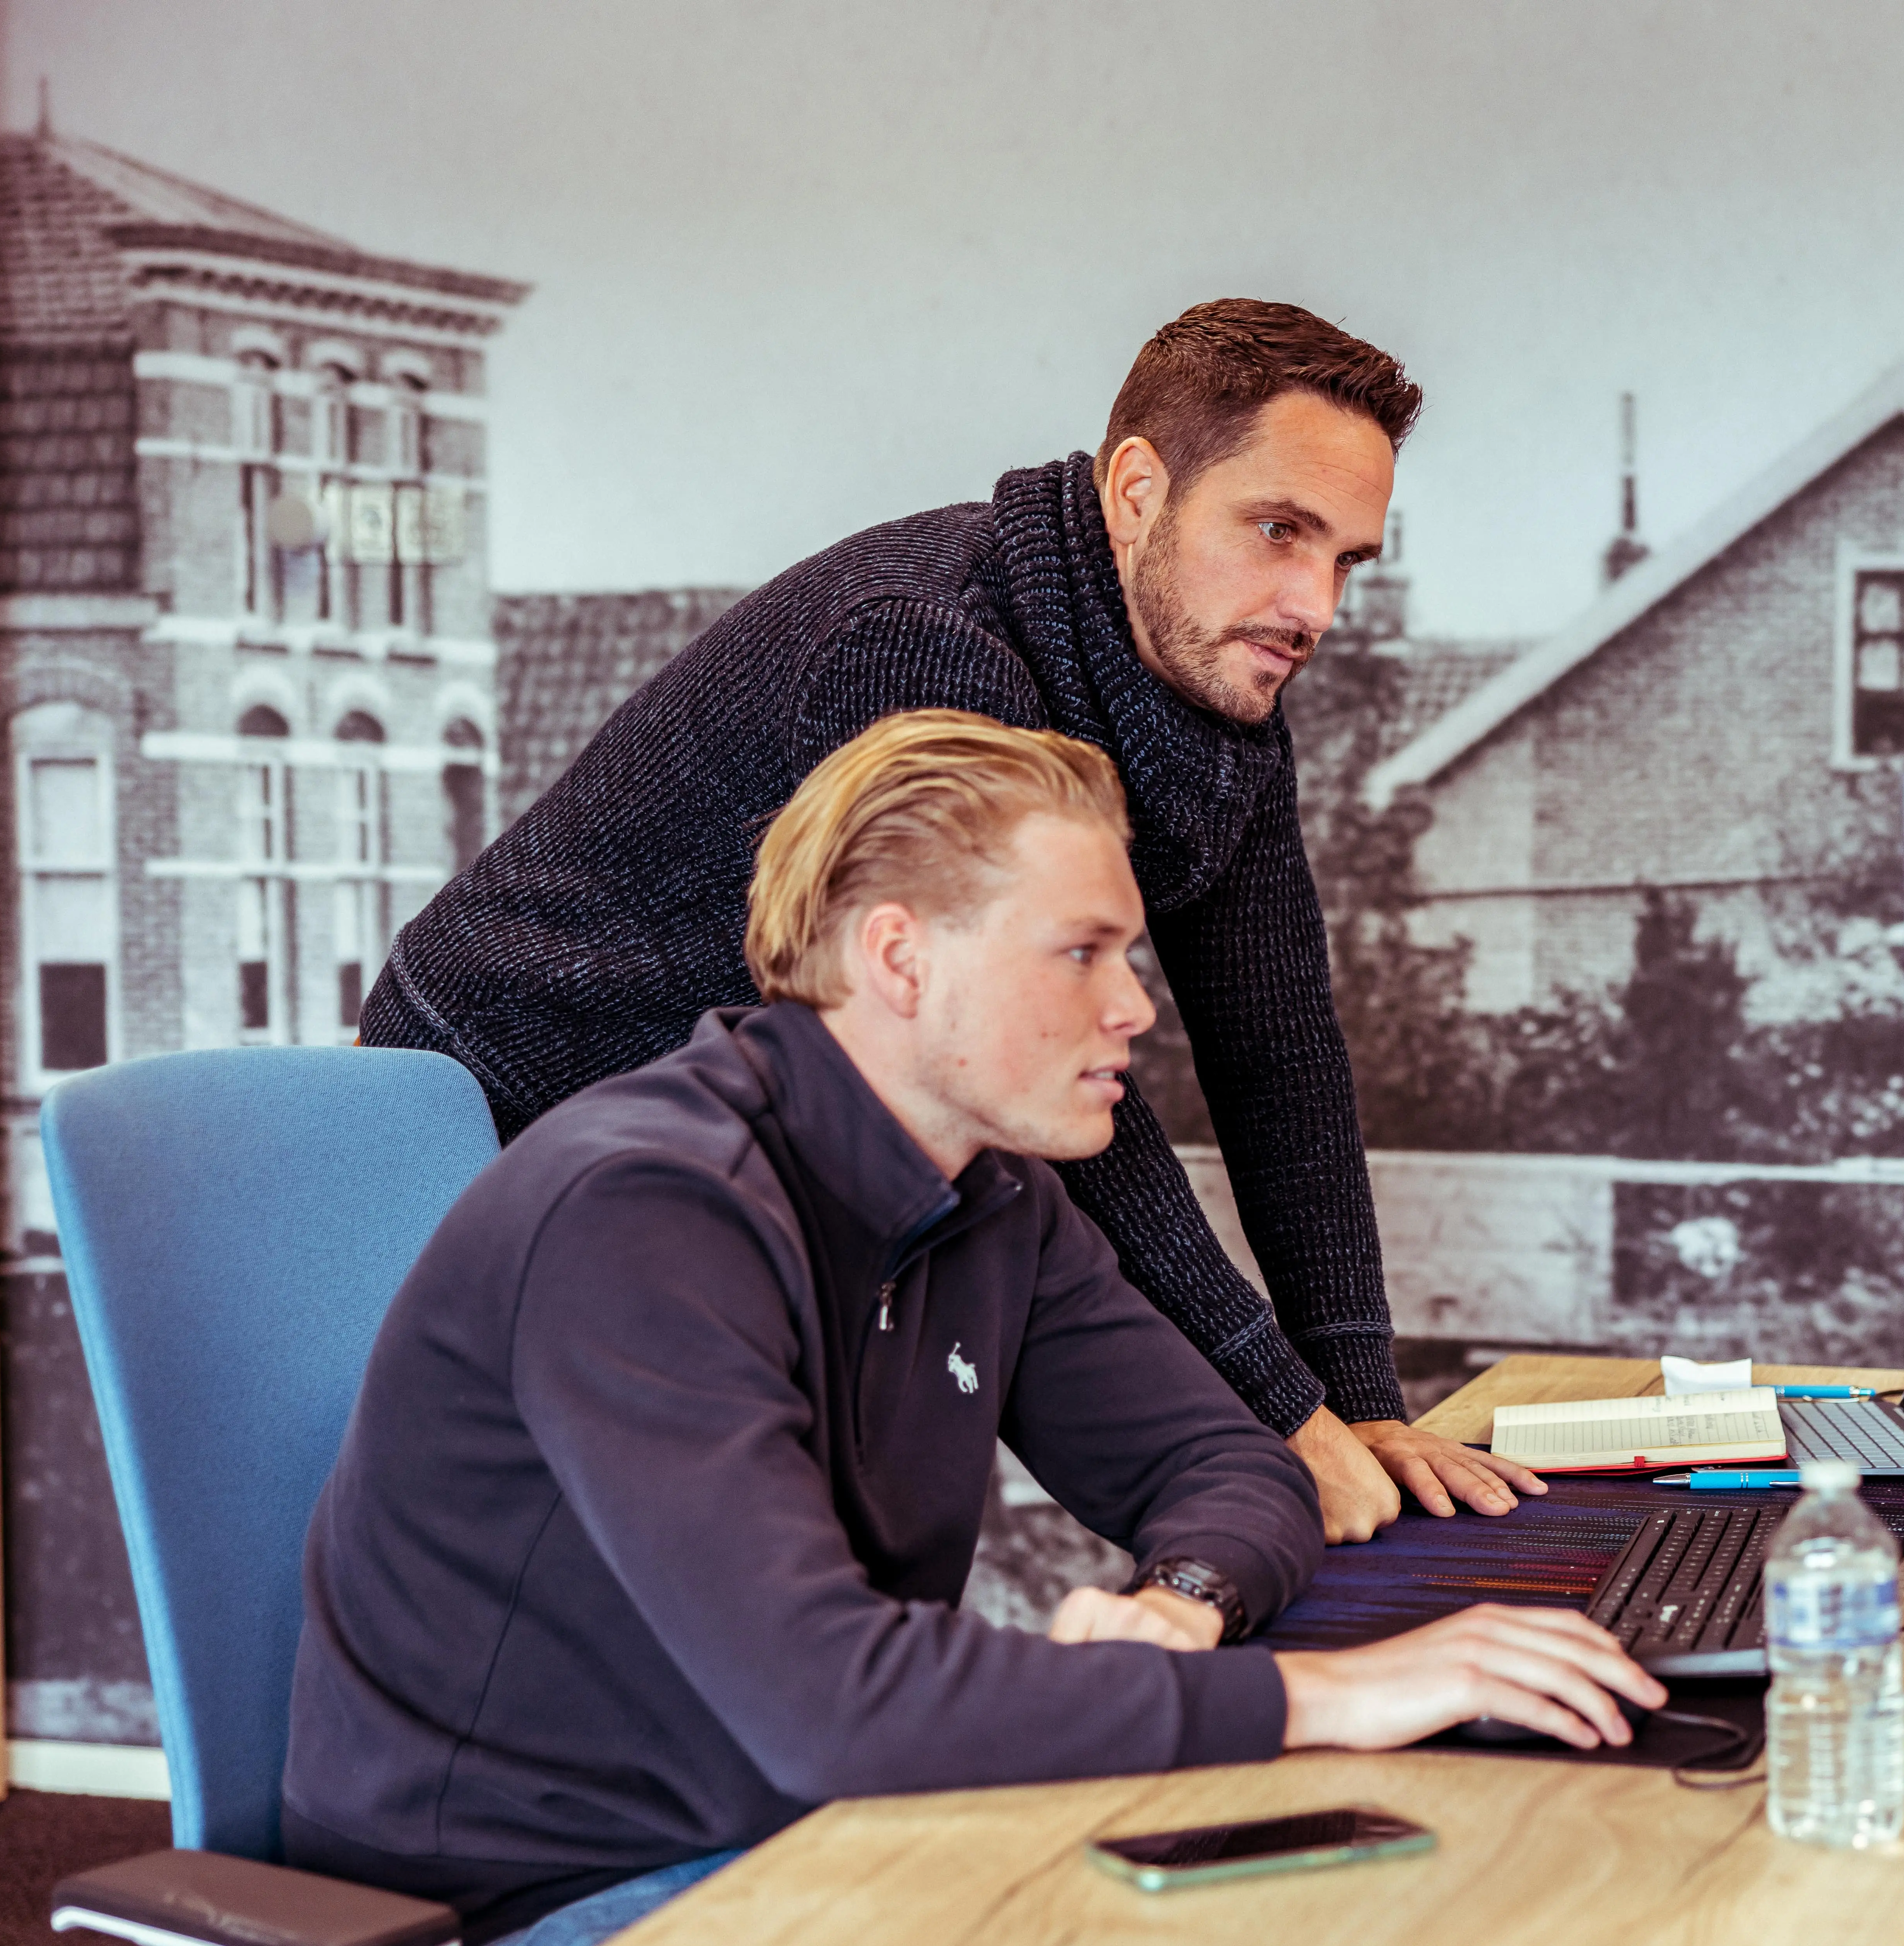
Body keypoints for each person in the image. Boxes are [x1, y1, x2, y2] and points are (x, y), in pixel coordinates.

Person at [290, 712, 1664, 1946]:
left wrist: (1185, 1603)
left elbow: (1224, 1463)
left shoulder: (991, 1197)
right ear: (901, 959)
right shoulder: (646, 1212)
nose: (1135, 1005)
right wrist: (1339, 1694)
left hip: (820, 1862)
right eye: (1081, 953)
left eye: (1127, 956)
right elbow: (838, 1708)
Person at [364, 298, 1533, 1543]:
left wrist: (1356, 1411)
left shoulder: (1217, 689)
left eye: (1347, 559)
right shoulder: (928, 647)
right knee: (722, 1610)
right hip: (510, 1114)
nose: (1314, 606)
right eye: (1277, 531)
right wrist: (1283, 1418)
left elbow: (1279, 1057)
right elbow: (1024, 1055)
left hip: (754, 1145)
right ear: (1139, 490)